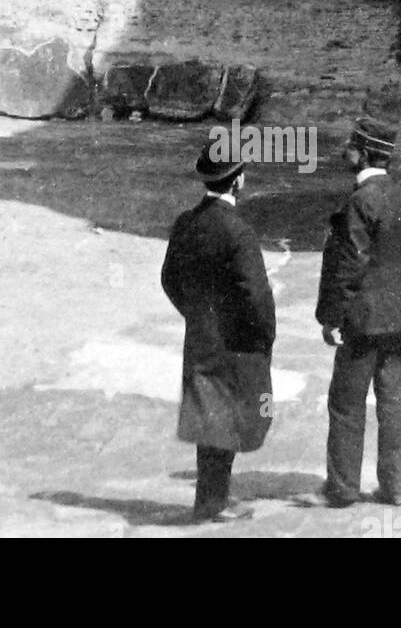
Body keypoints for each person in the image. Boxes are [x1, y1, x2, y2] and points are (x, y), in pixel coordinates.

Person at [305, 118, 401, 509]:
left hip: (360, 323)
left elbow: (349, 264)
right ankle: (395, 487)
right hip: (397, 322)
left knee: (347, 403)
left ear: (362, 153)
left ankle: (343, 488)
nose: (346, 152)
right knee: (395, 402)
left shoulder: (358, 203)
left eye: (350, 147)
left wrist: (331, 317)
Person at [161, 147, 277, 523]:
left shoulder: (185, 223)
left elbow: (169, 279)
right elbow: (256, 294)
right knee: (227, 419)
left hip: (201, 338)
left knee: (209, 418)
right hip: (236, 342)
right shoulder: (238, 232)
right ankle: (212, 504)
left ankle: (211, 500)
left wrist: (196, 315)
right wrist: (263, 338)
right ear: (238, 180)